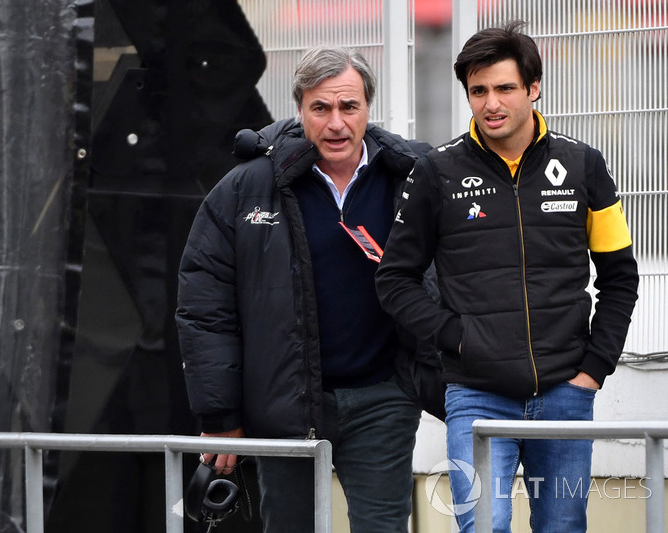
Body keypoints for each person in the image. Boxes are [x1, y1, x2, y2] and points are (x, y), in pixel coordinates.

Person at [375, 21, 639, 533]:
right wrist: (457, 337)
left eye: (504, 88)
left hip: (566, 391)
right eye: (478, 91)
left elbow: (620, 276)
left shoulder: (583, 165)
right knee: (484, 528)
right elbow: (394, 280)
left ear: (533, 88)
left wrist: (594, 369)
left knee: (562, 528)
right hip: (476, 395)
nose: (490, 103)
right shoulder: (436, 172)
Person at [176, 45, 434, 532]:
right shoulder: (245, 189)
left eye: (349, 106)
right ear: (299, 109)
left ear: (367, 108)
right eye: (321, 108)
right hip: (285, 404)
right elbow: (204, 305)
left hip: (383, 399)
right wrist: (220, 413)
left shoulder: (413, 178)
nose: (336, 123)